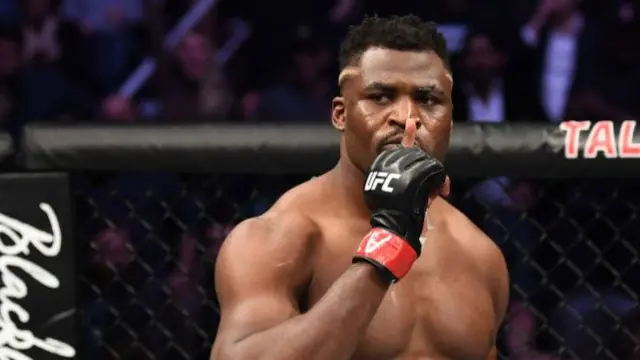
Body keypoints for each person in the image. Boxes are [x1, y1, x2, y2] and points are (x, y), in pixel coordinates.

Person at [211, 14, 509, 360]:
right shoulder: (281, 237)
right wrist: (385, 251)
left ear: (450, 122)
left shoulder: (479, 254)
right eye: (380, 97)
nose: (406, 117)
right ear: (340, 114)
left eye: (428, 100)